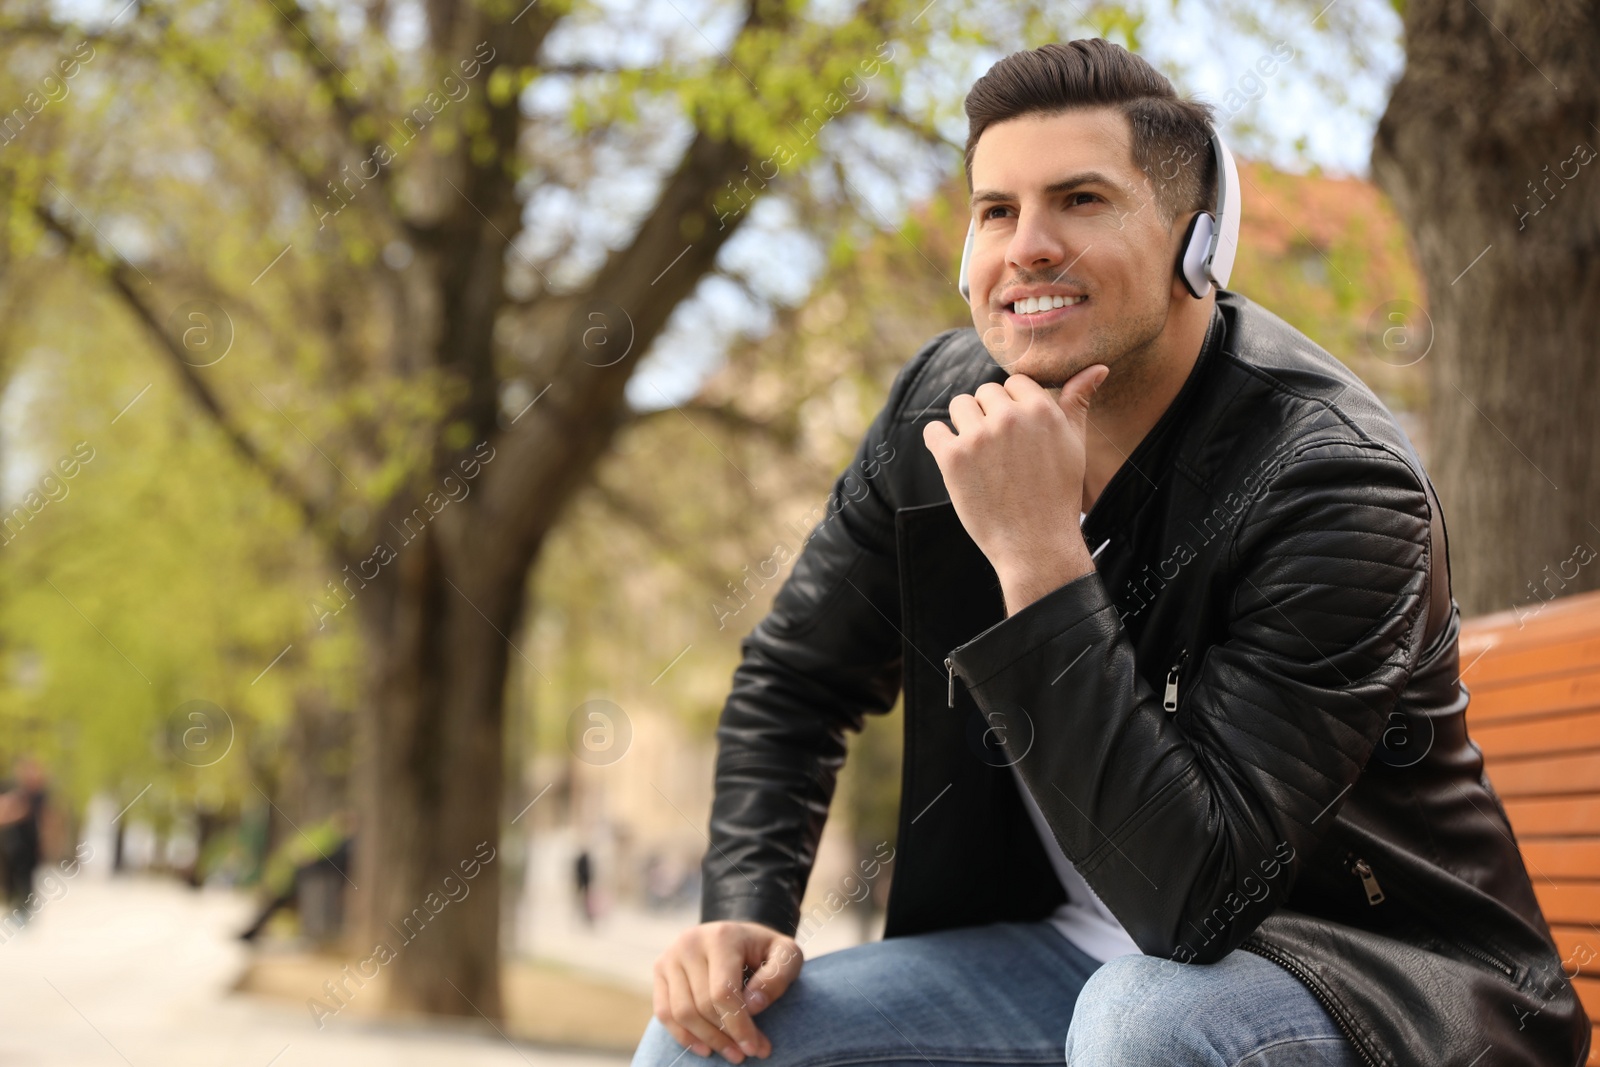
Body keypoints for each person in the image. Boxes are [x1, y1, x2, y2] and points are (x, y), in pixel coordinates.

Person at [631, 38, 1587, 1067]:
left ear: (1195, 245)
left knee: (1142, 1018)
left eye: (1080, 200)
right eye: (995, 210)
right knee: (710, 1039)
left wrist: (1037, 554)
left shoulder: (1330, 484)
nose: (1026, 246)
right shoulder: (938, 414)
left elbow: (1197, 902)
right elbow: (795, 678)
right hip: (1065, 966)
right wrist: (744, 909)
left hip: (1369, 986)